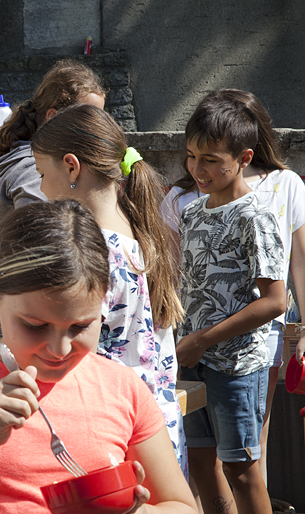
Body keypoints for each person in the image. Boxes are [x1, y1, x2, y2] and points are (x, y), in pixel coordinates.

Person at [0, 200, 196, 514]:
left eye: (80, 326)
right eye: (35, 326)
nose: (59, 349)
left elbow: (181, 506)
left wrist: (135, 511)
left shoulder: (122, 387)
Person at [31, 103, 187, 475]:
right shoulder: (141, 231)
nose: (39, 187)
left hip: (114, 436)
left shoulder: (95, 251)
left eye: (41, 173)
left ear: (71, 166)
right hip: (156, 432)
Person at [160, 89, 305, 488]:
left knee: (242, 472)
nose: (197, 169)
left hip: (238, 365)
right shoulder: (189, 211)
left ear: (244, 158)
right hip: (192, 358)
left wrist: (203, 339)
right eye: (191, 156)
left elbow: (275, 302)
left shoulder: (258, 214)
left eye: (210, 160)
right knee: (202, 468)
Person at [0, 60, 106, 341]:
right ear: (52, 117)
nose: (97, 128)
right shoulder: (35, 170)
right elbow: (46, 247)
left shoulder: (28, 163)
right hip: (9, 315)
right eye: (87, 119)